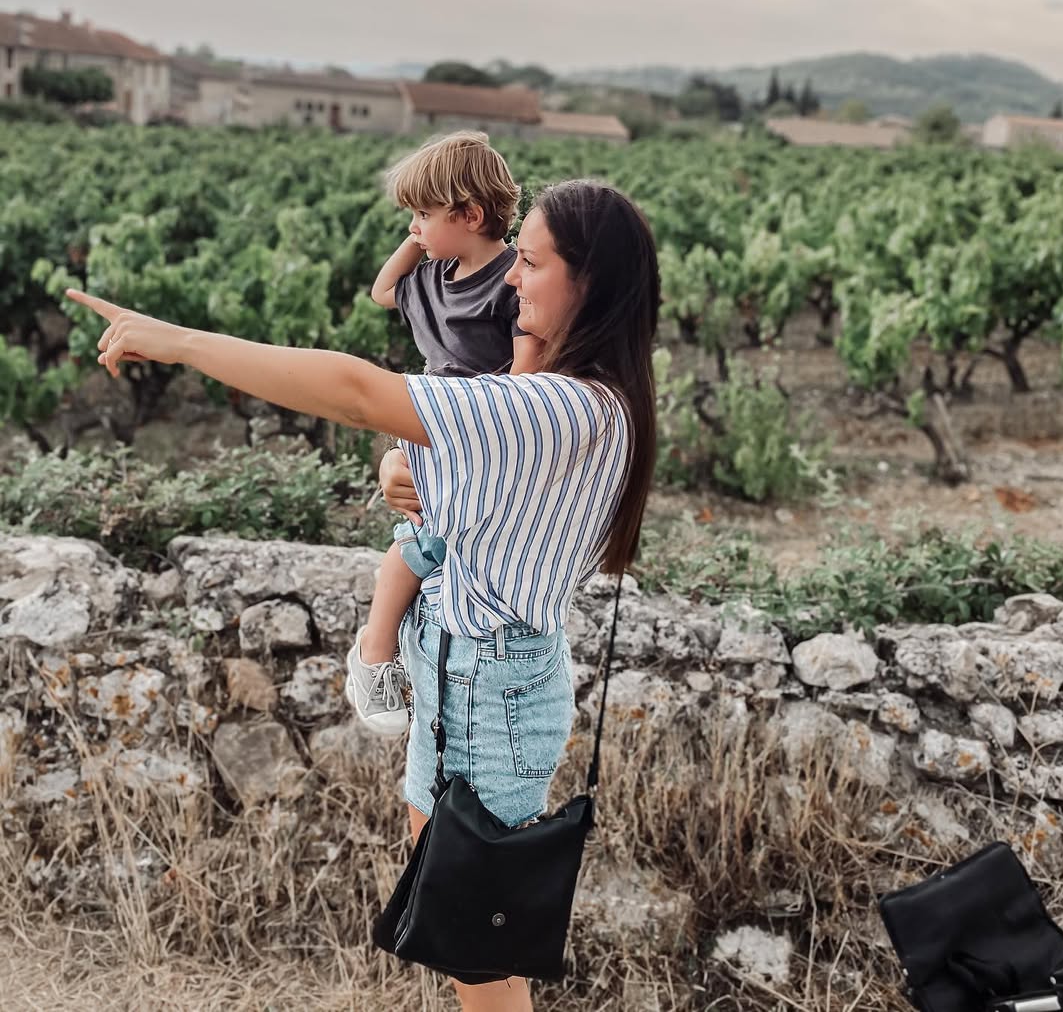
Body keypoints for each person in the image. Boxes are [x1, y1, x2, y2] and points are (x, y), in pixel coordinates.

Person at [66, 177, 659, 1012]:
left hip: (493, 698)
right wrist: (403, 461)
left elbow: (354, 390)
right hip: (459, 681)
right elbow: (445, 453)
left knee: (479, 962)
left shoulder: (564, 408)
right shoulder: (568, 394)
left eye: (528, 262)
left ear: (592, 281)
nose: (511, 280)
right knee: (461, 945)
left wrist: (181, 341)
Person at [346, 131, 543, 735]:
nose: (415, 229)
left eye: (424, 215)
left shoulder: (512, 278)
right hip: (439, 425)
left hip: (485, 425)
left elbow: (525, 373)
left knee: (454, 542)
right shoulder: (432, 276)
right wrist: (416, 242)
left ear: (472, 215)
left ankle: (401, 651)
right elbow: (382, 291)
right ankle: (373, 653)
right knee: (428, 540)